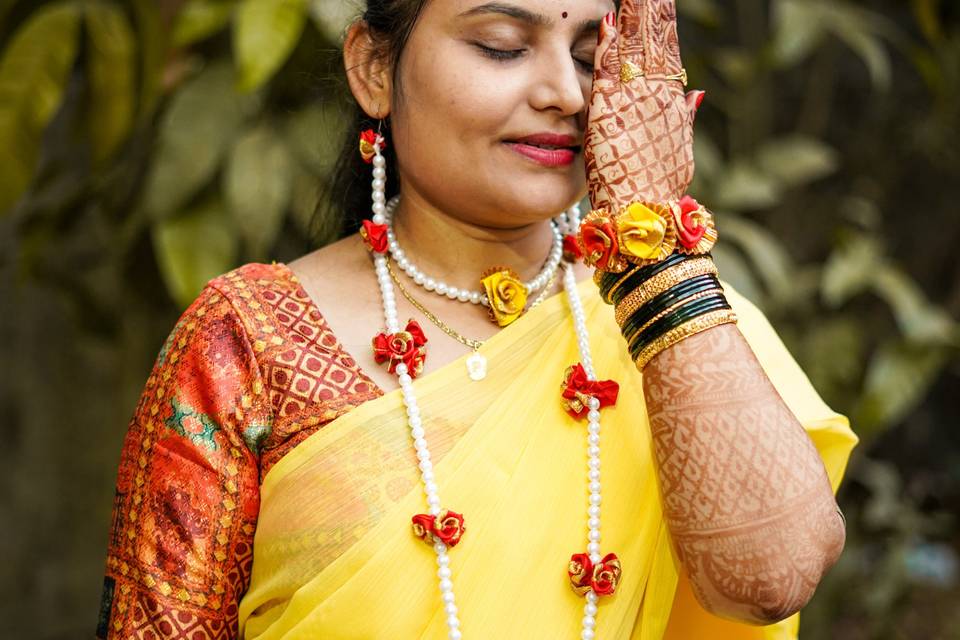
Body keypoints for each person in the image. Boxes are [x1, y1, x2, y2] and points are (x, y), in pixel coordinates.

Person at [97, 0, 858, 638]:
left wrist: (654, 250)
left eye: (594, 56)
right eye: (502, 47)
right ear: (372, 69)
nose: (566, 92)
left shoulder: (678, 325)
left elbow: (768, 578)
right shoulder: (252, 341)